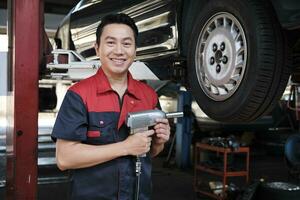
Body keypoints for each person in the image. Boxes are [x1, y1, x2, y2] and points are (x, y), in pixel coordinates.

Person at [51, 13, 171, 200]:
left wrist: (159, 142)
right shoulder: (79, 95)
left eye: (126, 43)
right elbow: (65, 158)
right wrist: (125, 147)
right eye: (110, 43)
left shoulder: (149, 95)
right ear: (97, 49)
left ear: (135, 50)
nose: (119, 51)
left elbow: (151, 152)